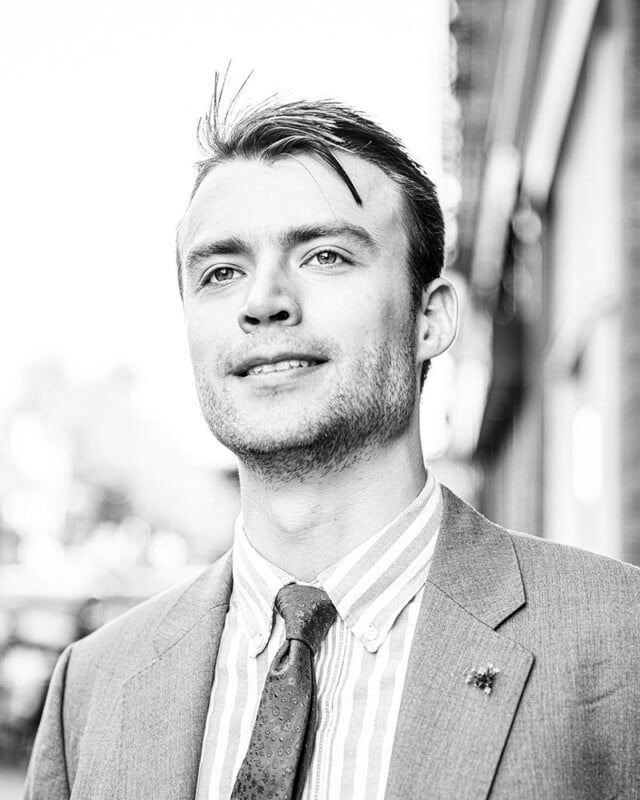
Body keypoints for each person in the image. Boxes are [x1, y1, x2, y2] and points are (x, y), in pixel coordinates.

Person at [24, 86, 640, 800]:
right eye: (221, 272)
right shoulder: (92, 687)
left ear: (430, 319)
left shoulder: (620, 642)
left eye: (324, 256)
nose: (263, 301)